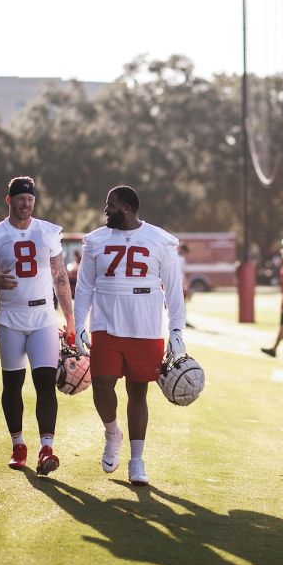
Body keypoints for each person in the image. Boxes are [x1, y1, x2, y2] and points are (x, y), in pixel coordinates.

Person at [72, 185, 186, 486]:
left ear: (126, 208)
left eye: (110, 204)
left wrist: (176, 329)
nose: (105, 209)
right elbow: (84, 286)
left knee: (138, 393)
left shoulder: (160, 240)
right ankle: (112, 433)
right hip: (106, 324)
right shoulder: (95, 241)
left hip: (145, 326)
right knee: (101, 386)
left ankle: (137, 460)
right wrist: (78, 323)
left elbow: (174, 289)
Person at [0, 176, 75, 475]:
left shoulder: (48, 232)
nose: (26, 203)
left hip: (43, 316)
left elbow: (60, 278)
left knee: (45, 383)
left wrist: (70, 318)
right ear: (10, 200)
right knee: (12, 384)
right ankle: (18, 444)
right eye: (21, 198)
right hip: (11, 317)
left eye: (30, 199)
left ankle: (47, 448)